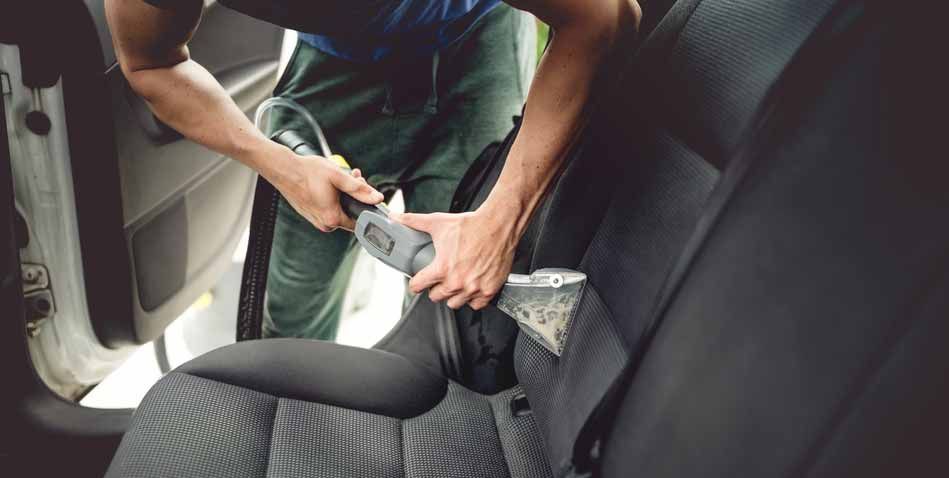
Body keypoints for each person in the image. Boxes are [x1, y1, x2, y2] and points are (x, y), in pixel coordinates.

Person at [106, 0, 641, 340]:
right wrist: (282, 167)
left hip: (480, 37)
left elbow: (604, 17)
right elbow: (152, 63)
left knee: (473, 304)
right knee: (294, 308)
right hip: (337, 62)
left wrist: (501, 221)